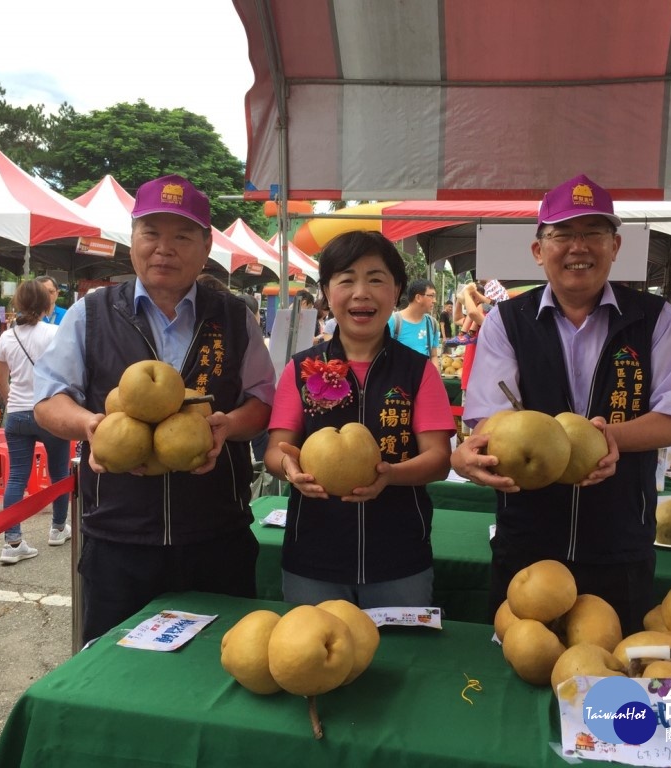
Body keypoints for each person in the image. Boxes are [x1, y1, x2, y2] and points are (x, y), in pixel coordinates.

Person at [450, 174, 671, 633]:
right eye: (562, 234)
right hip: (528, 540)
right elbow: (488, 414)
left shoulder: (657, 320)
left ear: (616, 245)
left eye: (593, 234)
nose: (578, 247)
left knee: (615, 679)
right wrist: (473, 451)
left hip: (620, 537)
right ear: (538, 250)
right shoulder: (507, 322)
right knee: (519, 670)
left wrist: (609, 439)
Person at [33, 173, 276, 644]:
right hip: (119, 538)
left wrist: (229, 426)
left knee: (218, 670)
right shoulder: (92, 312)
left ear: (206, 248)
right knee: (116, 676)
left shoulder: (233, 317)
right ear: (133, 241)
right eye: (151, 234)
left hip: (215, 537)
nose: (164, 248)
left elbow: (262, 401)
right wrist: (91, 425)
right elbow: (47, 400)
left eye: (182, 236)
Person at [264, 230, 454, 607]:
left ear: (396, 290)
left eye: (376, 279)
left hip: (399, 558)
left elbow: (439, 459)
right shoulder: (301, 368)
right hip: (314, 559)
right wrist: (289, 466)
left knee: (402, 660)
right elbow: (274, 451)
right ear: (327, 291)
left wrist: (391, 475)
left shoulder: (418, 371)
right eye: (346, 279)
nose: (361, 292)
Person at [0, 280, 72, 563]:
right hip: (50, 411)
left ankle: (12, 543)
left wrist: (9, 400)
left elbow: (0, 378)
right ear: (46, 304)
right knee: (59, 473)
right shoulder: (54, 332)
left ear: (18, 304)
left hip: (16, 414)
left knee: (16, 477)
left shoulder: (6, 337)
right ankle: (58, 528)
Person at [388, 278, 441, 365]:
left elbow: (434, 356)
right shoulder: (394, 322)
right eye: (431, 296)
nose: (434, 301)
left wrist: (435, 378)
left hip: (424, 377)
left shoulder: (432, 323)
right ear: (418, 298)